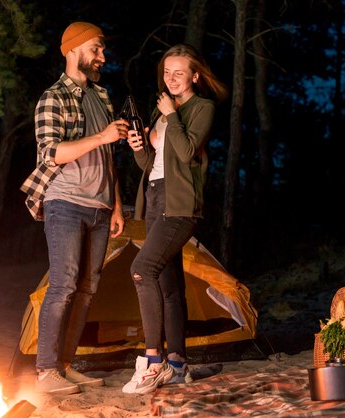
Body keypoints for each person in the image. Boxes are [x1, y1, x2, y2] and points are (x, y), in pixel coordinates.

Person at [20, 21, 128, 395]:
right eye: (95, 49)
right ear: (72, 50)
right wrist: (101, 135)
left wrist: (116, 205)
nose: (102, 56)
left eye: (102, 50)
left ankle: (64, 366)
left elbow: (109, 155)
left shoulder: (102, 96)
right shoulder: (53, 97)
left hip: (99, 206)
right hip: (64, 201)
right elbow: (51, 153)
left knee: (87, 289)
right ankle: (46, 370)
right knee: (63, 284)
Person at [121, 43, 228, 395]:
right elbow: (149, 166)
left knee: (141, 269)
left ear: (194, 75)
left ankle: (153, 362)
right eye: (167, 73)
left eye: (179, 73)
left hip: (180, 204)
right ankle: (178, 365)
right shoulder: (162, 112)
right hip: (154, 198)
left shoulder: (202, 107)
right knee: (169, 286)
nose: (172, 79)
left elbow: (184, 152)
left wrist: (170, 116)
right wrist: (139, 146)